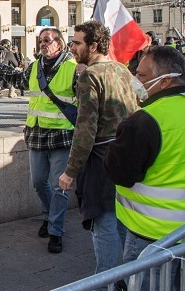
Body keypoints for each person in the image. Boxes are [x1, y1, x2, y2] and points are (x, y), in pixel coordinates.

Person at [104, 46, 185, 288]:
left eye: (142, 75)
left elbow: (119, 173)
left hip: (150, 234)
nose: (136, 80)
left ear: (165, 80)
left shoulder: (143, 121)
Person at [0, 28, 77, 253]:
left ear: (60, 43)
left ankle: (56, 231)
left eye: (47, 40)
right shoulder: (35, 66)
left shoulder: (73, 68)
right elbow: (20, 79)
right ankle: (49, 215)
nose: (43, 44)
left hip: (61, 135)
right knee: (38, 182)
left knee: (58, 186)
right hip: (36, 134)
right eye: (41, 41)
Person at [58, 20, 138, 277]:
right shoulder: (123, 70)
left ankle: (106, 280)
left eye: (77, 42)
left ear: (93, 46)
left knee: (103, 223)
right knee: (125, 220)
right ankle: (128, 276)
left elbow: (85, 130)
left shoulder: (90, 76)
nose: (72, 47)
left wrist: (70, 171)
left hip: (101, 161)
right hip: (127, 154)